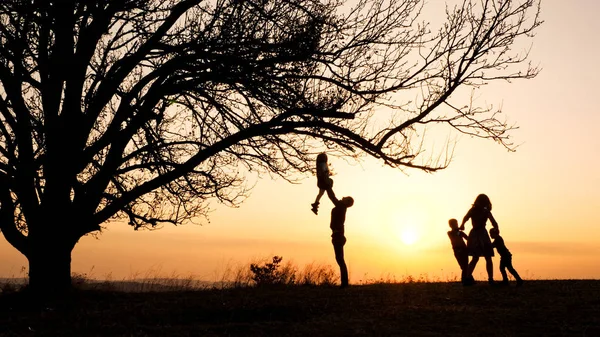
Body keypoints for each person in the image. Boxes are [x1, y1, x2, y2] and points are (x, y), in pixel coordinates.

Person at [460, 193, 498, 285]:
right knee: (480, 257)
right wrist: (462, 225)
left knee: (482, 257)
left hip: (479, 234)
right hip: (479, 234)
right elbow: (493, 222)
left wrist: (462, 225)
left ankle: (487, 279)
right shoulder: (480, 211)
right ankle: (468, 277)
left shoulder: (481, 211)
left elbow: (493, 222)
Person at [326, 188, 354, 288]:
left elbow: (332, 197)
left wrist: (328, 187)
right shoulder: (341, 206)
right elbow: (333, 198)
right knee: (340, 259)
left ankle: (344, 283)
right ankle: (344, 283)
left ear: (347, 202)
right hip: (338, 236)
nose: (343, 197)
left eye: (346, 198)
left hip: (338, 236)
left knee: (340, 260)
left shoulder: (341, 206)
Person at [447, 218, 470, 283]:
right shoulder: (450, 233)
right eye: (454, 224)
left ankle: (467, 280)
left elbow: (468, 238)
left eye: (456, 224)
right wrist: (459, 229)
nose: (456, 225)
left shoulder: (460, 232)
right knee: (463, 266)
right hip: (457, 250)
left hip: (464, 249)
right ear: (450, 226)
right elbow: (455, 236)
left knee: (465, 265)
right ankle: (466, 279)